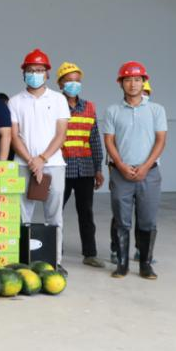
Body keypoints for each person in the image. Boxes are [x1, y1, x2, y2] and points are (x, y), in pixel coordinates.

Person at [8, 49, 70, 273]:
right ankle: (23, 260)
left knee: (54, 215)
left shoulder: (58, 99)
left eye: (40, 70)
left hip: (53, 165)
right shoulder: (15, 101)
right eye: (31, 70)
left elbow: (61, 134)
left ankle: (55, 260)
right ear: (23, 73)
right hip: (23, 165)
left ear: (47, 73)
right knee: (22, 214)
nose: (35, 74)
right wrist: (31, 160)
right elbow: (14, 136)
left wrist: (42, 159)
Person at [104, 61, 167, 280]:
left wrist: (146, 166)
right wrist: (120, 165)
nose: (133, 84)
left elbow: (161, 140)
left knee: (147, 219)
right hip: (121, 173)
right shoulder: (112, 111)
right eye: (128, 80)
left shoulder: (156, 110)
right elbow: (109, 141)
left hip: (149, 173)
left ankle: (145, 264)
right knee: (121, 219)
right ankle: (122, 264)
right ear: (120, 83)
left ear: (144, 82)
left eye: (137, 80)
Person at [56, 62, 106, 268]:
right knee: (56, 212)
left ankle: (90, 253)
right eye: (69, 81)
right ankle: (55, 251)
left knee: (86, 212)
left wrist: (98, 169)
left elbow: (94, 140)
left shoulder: (89, 107)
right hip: (61, 167)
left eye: (77, 81)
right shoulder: (55, 106)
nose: (73, 84)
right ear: (60, 84)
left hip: (85, 168)